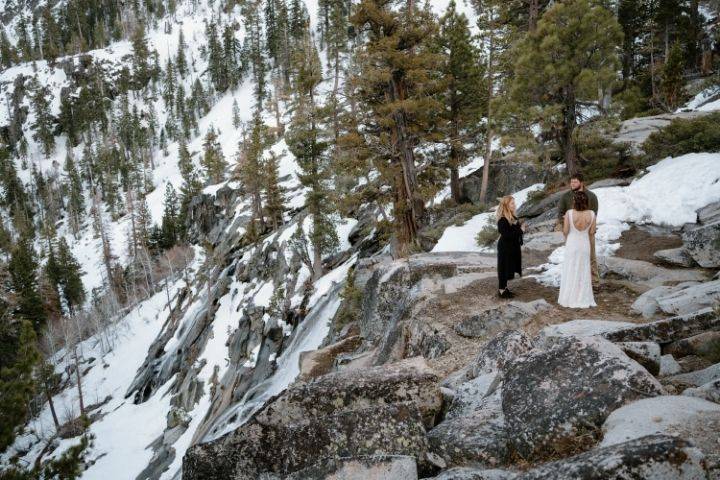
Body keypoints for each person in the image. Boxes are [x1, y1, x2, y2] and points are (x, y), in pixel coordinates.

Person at [557, 173, 599, 287]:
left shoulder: (591, 196)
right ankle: (576, 283)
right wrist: (565, 225)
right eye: (571, 182)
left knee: (591, 257)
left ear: (581, 182)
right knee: (573, 257)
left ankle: (594, 283)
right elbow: (560, 213)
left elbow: (594, 214)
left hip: (588, 232)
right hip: (571, 232)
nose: (572, 184)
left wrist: (590, 229)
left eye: (575, 182)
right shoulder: (565, 196)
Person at [558, 191, 597, 308]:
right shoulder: (592, 214)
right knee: (583, 270)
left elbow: (565, 231)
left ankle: (569, 297)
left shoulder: (569, 213)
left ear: (575, 202)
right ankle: (582, 297)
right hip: (584, 244)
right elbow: (592, 232)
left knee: (571, 269)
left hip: (572, 244)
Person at [496, 196, 524, 299]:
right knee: (503, 267)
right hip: (505, 247)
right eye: (512, 203)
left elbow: (513, 231)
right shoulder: (502, 219)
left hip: (511, 246)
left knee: (507, 267)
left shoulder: (511, 216)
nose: (514, 205)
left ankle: (504, 287)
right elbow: (507, 235)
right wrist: (521, 230)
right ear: (506, 205)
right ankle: (501, 290)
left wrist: (519, 227)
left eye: (514, 203)